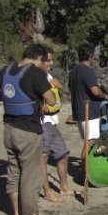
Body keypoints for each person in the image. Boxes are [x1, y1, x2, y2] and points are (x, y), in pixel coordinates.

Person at [0, 43, 56, 215]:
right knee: (30, 174)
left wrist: (9, 99)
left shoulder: (7, 70)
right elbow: (51, 100)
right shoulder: (35, 73)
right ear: (38, 58)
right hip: (28, 130)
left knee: (14, 172)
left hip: (9, 128)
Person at [37, 47, 79, 203]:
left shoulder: (47, 76)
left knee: (63, 154)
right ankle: (47, 192)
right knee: (43, 158)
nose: (51, 63)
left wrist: (59, 85)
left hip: (53, 121)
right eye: (48, 60)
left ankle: (64, 187)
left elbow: (59, 90)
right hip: (42, 123)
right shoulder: (34, 76)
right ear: (39, 59)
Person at [68, 44, 108, 163]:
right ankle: (84, 169)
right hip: (88, 111)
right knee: (90, 141)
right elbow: (95, 91)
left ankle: (86, 166)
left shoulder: (74, 71)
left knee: (89, 140)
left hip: (78, 109)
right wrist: (104, 95)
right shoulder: (86, 71)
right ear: (90, 56)